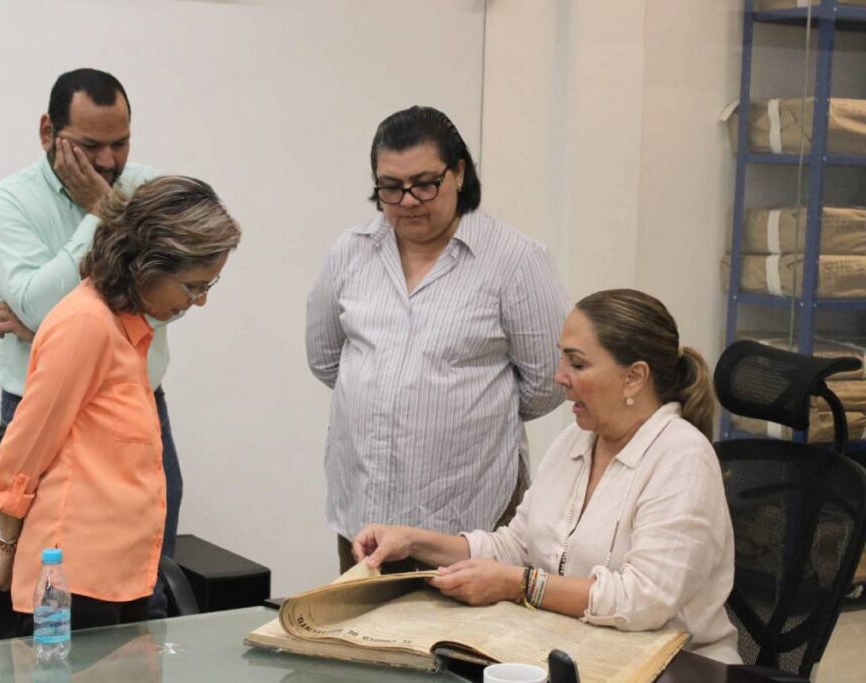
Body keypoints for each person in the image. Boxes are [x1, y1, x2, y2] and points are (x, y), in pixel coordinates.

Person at [352, 289, 741, 663]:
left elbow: (644, 602)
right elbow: (516, 546)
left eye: (577, 363)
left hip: (678, 667)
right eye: (562, 360)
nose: (559, 377)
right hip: (575, 651)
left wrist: (519, 584)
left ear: (634, 377)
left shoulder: (682, 456)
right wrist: (413, 541)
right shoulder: (576, 440)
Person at [0, 176, 241, 630]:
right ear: (148, 265)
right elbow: (26, 447)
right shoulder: (85, 325)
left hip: (119, 576)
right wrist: (10, 544)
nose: (201, 301)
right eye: (193, 287)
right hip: (75, 584)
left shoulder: (127, 329)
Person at [306, 105, 568, 573]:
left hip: (468, 520)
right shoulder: (351, 252)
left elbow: (548, 381)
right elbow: (326, 359)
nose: (408, 200)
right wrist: (391, 393)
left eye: (425, 183)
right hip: (363, 516)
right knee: (360, 643)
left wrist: (467, 410)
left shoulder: (515, 260)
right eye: (390, 187)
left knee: (456, 644)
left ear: (460, 173)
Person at [0, 69, 185, 612]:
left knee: (144, 580)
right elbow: (41, 306)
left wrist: (42, 327)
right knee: (53, 596)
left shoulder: (149, 188)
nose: (109, 162)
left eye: (121, 143)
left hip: (134, 408)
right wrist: (103, 213)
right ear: (48, 132)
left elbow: (169, 301)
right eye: (91, 145)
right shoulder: (7, 203)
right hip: (42, 409)